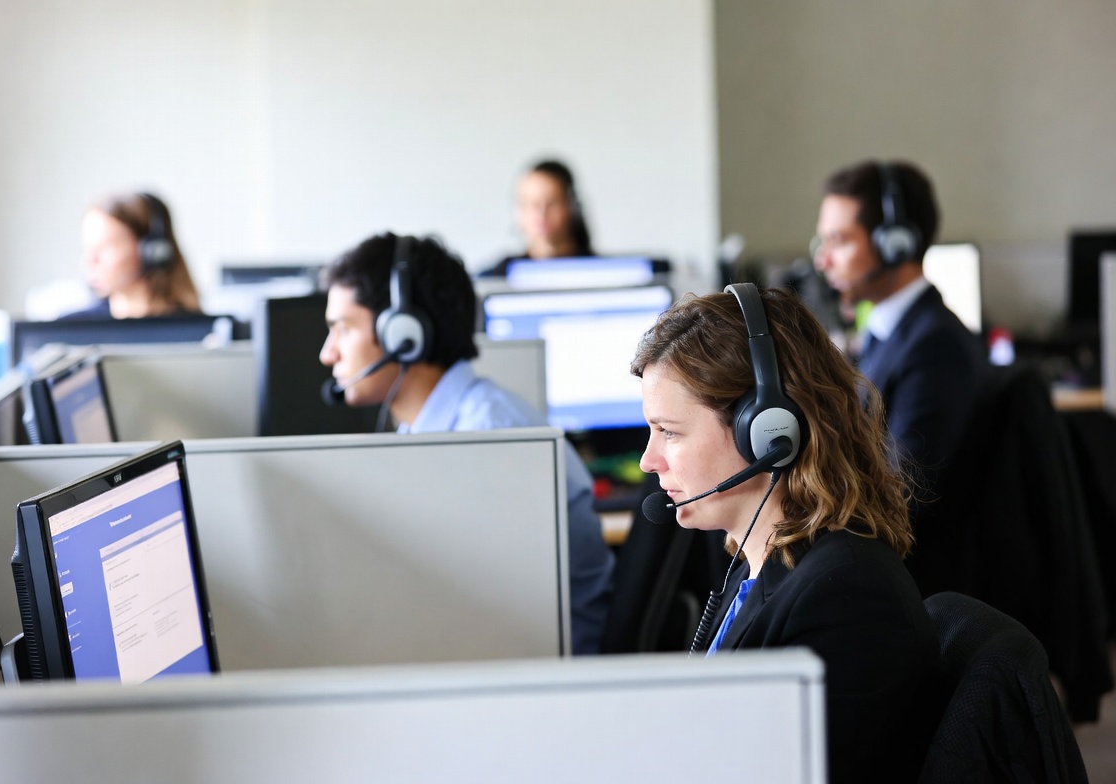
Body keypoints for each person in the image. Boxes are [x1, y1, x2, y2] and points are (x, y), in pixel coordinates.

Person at [633, 285, 939, 783]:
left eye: (669, 431)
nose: (649, 460)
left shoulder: (846, 599)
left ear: (769, 432)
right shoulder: (753, 566)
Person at [319, 231, 615, 655]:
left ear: (405, 335)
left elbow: (499, 620)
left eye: (342, 329)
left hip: (547, 675)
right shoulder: (435, 431)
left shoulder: (489, 439)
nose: (327, 354)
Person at [811, 160, 988, 503]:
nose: (823, 261)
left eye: (839, 241)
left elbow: (902, 495)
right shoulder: (887, 334)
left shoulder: (934, 348)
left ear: (896, 245)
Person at [62, 191, 201, 319]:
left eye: (106, 246)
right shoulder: (67, 331)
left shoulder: (201, 335)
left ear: (153, 251)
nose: (90, 260)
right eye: (88, 248)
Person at [480, 159, 595, 277]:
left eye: (552, 203)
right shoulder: (494, 278)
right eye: (531, 203)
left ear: (571, 206)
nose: (541, 213)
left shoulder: (600, 272)